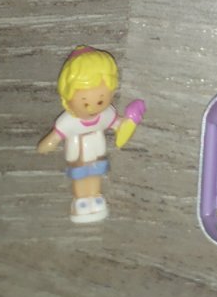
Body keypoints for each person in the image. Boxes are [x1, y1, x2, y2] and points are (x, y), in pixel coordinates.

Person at [36, 46, 140, 223]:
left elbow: (117, 125)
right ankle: (81, 199)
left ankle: (95, 196)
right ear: (67, 98)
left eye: (100, 101)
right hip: (78, 154)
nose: (92, 108)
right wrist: (49, 143)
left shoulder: (105, 115)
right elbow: (56, 135)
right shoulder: (69, 122)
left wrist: (130, 121)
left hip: (96, 151)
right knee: (80, 175)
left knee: (95, 174)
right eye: (85, 103)